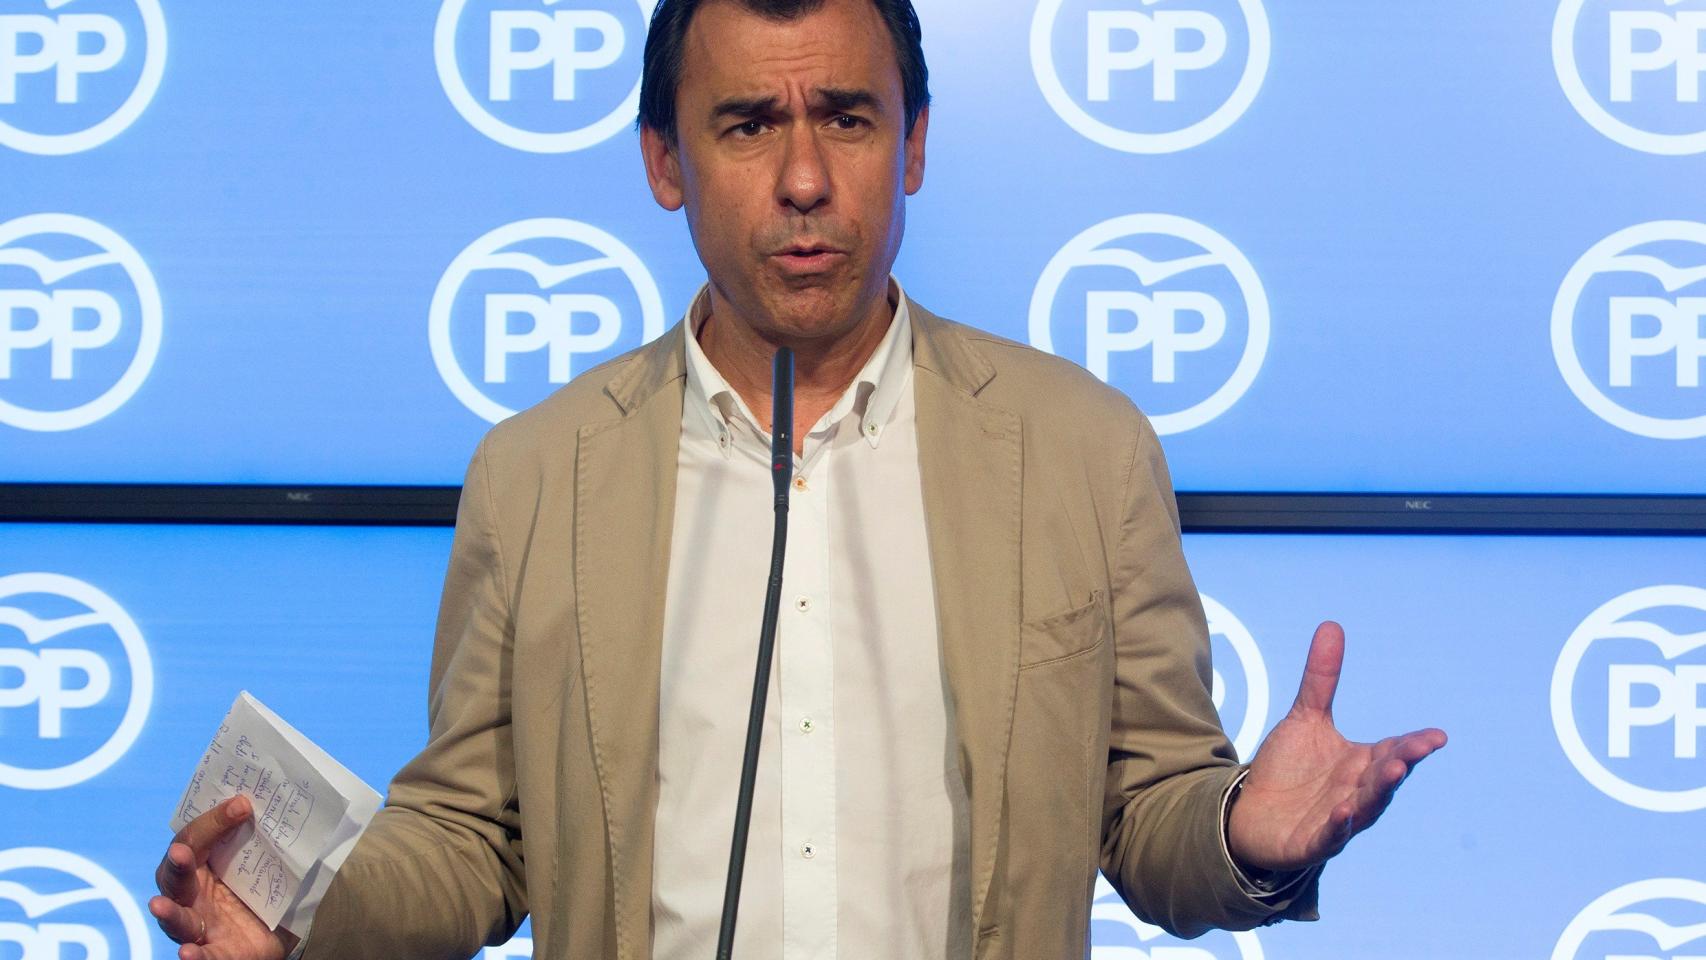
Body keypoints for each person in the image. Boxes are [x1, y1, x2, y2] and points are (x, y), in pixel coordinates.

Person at [151, 1, 1447, 957]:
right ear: (664, 161)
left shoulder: (1081, 447)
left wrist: (1243, 834)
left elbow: (1149, 813)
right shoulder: (538, 471)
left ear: (913, 143)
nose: (806, 179)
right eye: (747, 124)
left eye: (846, 116)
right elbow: (476, 840)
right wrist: (303, 912)